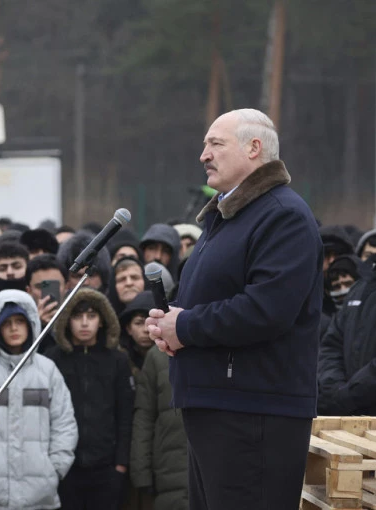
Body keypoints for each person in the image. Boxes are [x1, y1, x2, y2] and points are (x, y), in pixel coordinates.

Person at [146, 108, 322, 510]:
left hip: (254, 413)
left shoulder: (282, 216)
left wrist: (185, 326)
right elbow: (213, 301)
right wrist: (170, 324)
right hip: (220, 406)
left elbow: (267, 310)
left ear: (254, 148)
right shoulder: (228, 218)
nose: (204, 155)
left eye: (215, 144)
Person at [0, 289, 78, 509]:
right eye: (6, 323)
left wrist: (55, 469)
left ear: (31, 323)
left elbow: (64, 423)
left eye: (20, 321)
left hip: (39, 495)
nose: (14, 328)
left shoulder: (47, 370)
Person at [45, 288, 134, 510]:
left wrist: (121, 464)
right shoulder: (52, 359)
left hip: (106, 468)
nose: (84, 323)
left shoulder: (117, 360)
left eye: (92, 316)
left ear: (102, 320)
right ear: (67, 320)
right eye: (77, 316)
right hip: (64, 467)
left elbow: (125, 414)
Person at [130, 346, 188, 510]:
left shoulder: (223, 347)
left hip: (218, 471)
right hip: (171, 469)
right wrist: (141, 472)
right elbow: (144, 417)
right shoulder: (157, 356)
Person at [317, 262, 376, 415]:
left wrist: (350, 395)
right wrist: (335, 389)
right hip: (350, 413)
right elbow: (331, 345)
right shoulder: (360, 287)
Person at [24, 254, 68, 353]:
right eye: (40, 286)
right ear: (29, 291)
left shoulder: (79, 317)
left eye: (54, 286)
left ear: (66, 287)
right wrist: (37, 326)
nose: (48, 294)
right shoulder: (19, 321)